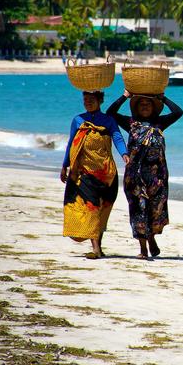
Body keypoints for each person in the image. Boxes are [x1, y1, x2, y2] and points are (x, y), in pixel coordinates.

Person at [107, 90, 183, 259]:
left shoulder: (160, 123)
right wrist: (125, 96)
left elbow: (178, 112)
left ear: (154, 108)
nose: (145, 106)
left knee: (155, 210)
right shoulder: (131, 123)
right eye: (141, 104)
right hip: (135, 176)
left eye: (148, 104)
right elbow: (110, 113)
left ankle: (151, 237)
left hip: (158, 177)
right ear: (136, 108)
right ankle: (143, 248)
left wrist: (163, 98)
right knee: (138, 209)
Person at [61, 91, 129, 259]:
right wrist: (65, 165)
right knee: (90, 207)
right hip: (85, 172)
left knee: (102, 210)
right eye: (85, 100)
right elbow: (71, 143)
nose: (87, 103)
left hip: (106, 173)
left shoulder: (108, 120)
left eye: (91, 100)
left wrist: (124, 154)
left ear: (100, 101)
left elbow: (118, 138)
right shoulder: (78, 120)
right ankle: (96, 248)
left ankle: (98, 245)